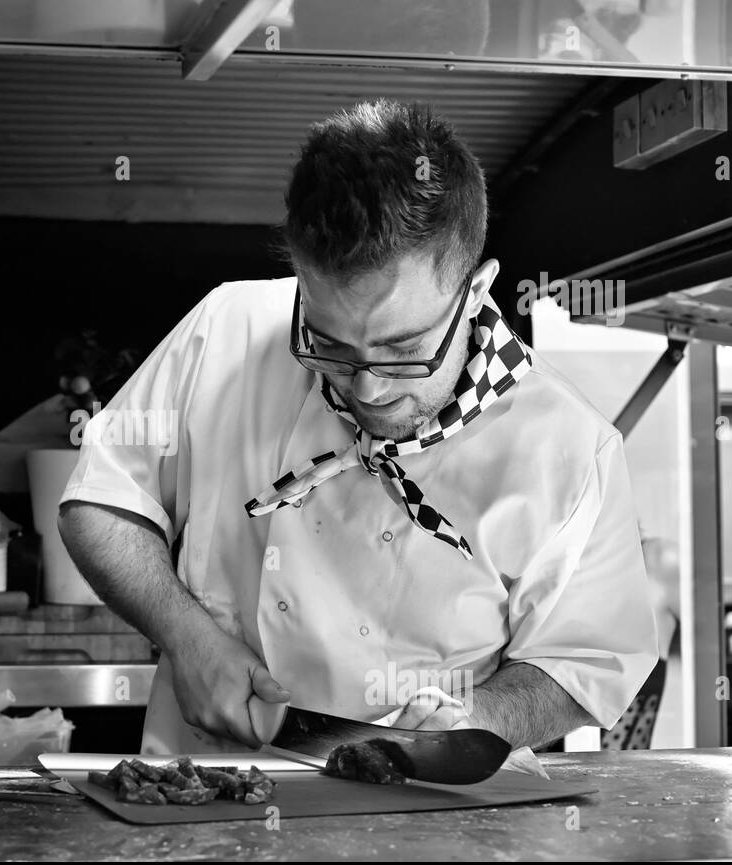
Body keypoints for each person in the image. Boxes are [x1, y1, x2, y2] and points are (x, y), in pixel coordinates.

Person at [58, 100, 658, 754]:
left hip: (427, 822)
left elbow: (585, 661)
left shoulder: (569, 446)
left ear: (478, 289)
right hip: (206, 801)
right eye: (330, 344)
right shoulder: (227, 328)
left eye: (404, 349)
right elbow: (101, 498)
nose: (369, 387)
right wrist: (187, 635)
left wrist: (478, 717)